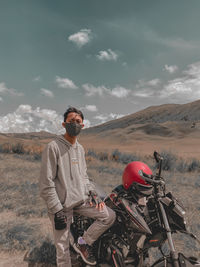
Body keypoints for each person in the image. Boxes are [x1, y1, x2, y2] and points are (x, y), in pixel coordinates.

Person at [39, 107, 116, 267]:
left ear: (83, 125)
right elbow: (46, 183)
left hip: (81, 201)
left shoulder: (80, 149)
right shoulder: (53, 147)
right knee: (63, 250)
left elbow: (84, 177)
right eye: (71, 121)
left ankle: (83, 243)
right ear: (64, 124)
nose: (75, 124)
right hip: (62, 206)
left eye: (78, 121)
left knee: (109, 216)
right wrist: (56, 209)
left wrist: (93, 193)